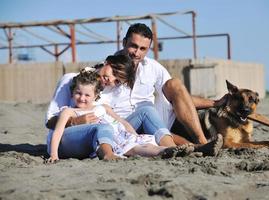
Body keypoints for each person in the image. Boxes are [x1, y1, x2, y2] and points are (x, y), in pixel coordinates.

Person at [101, 23, 227, 145]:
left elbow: (180, 96)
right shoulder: (106, 69)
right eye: (133, 46)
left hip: (153, 121)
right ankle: (195, 147)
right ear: (124, 43)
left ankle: (201, 143)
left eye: (143, 49)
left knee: (174, 84)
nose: (137, 53)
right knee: (148, 113)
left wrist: (215, 103)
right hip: (124, 125)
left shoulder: (152, 67)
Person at [46, 69, 194, 163]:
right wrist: (53, 154)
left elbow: (122, 122)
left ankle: (166, 151)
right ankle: (108, 155)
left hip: (113, 137)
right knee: (102, 127)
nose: (82, 98)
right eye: (78, 93)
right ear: (72, 93)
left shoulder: (102, 107)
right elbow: (58, 131)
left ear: (96, 96)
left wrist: (134, 135)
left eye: (87, 95)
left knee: (136, 146)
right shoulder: (70, 111)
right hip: (87, 137)